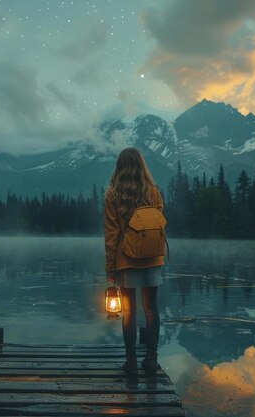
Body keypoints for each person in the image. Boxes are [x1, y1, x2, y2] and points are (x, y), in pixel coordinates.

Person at [103, 147, 165, 376]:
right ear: (141, 165)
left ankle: (131, 363)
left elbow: (112, 236)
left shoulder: (112, 194)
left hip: (126, 259)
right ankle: (151, 359)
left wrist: (110, 268)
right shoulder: (153, 192)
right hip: (152, 256)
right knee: (152, 309)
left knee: (129, 312)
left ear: (119, 166)